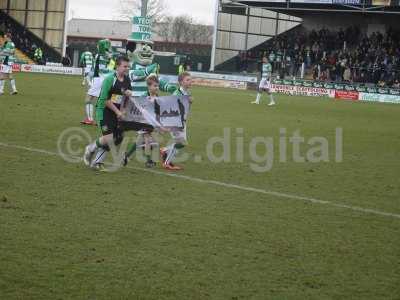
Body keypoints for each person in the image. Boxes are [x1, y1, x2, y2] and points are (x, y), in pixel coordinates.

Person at [83, 55, 132, 171]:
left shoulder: (127, 79)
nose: (127, 69)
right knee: (109, 137)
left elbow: (126, 97)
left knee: (118, 137)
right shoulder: (110, 79)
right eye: (124, 66)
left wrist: (123, 110)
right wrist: (118, 112)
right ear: (117, 66)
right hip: (104, 110)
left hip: (117, 112)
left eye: (128, 67)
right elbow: (105, 100)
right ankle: (90, 149)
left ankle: (97, 162)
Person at [122, 75, 164, 168]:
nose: (157, 88)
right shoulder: (144, 96)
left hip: (150, 122)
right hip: (143, 121)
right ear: (149, 87)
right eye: (154, 86)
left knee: (139, 141)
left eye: (157, 86)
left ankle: (126, 156)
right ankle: (148, 160)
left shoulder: (157, 96)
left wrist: (159, 123)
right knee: (147, 140)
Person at [160, 71, 192, 171]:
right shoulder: (177, 94)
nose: (190, 81)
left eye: (190, 79)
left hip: (182, 121)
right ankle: (166, 162)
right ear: (181, 82)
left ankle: (165, 151)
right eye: (188, 80)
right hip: (176, 122)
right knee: (181, 143)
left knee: (181, 142)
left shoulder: (186, 93)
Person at [81, 39, 112, 126]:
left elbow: (102, 43)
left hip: (98, 79)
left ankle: (90, 119)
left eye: (98, 45)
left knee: (88, 99)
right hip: (103, 78)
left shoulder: (102, 53)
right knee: (103, 100)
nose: (97, 46)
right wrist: (108, 44)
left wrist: (106, 41)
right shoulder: (108, 54)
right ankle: (102, 120)